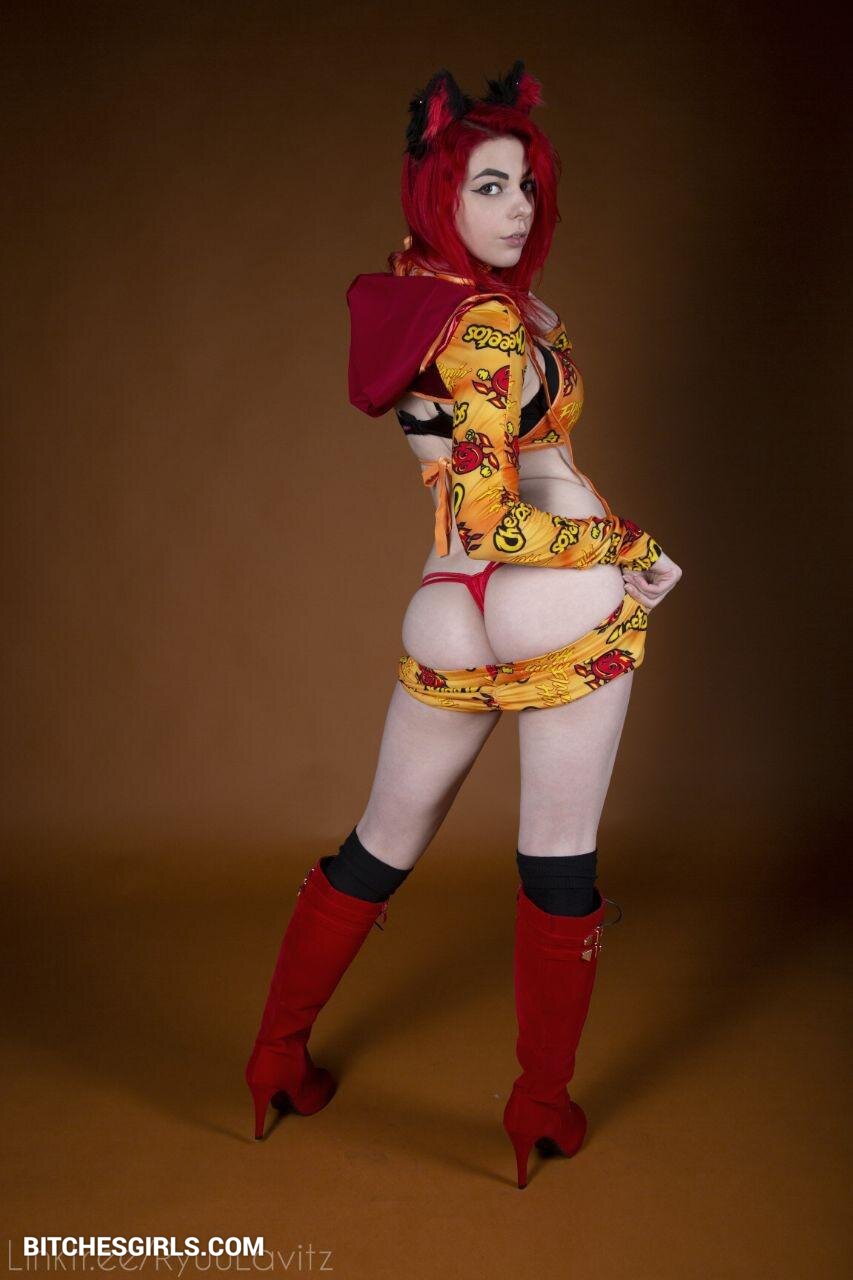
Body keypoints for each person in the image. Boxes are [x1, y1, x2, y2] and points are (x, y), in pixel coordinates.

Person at [244, 60, 682, 1189]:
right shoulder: (487, 328)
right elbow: (498, 518)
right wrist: (628, 547)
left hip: (447, 606)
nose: (517, 206)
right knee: (557, 859)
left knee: (377, 844)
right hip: (541, 592)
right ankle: (539, 1108)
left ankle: (275, 1056)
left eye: (525, 185)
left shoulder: (413, 295)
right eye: (488, 186)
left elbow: (455, 500)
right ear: (438, 191)